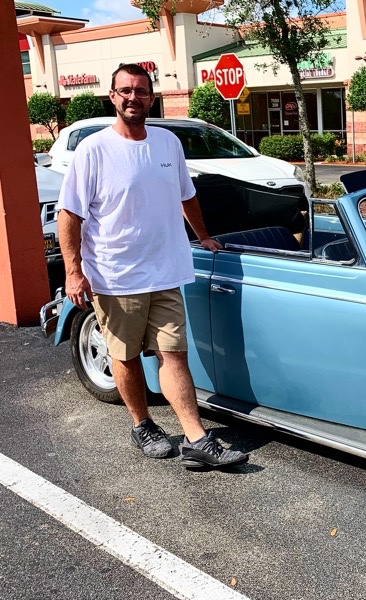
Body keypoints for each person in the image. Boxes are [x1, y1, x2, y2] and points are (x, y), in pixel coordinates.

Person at [58, 63, 248, 470]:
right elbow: (69, 214)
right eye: (125, 90)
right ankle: (142, 423)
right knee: (125, 357)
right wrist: (74, 271)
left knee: (174, 355)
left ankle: (196, 439)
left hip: (166, 271)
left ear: (151, 97)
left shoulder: (167, 143)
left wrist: (203, 236)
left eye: (141, 91)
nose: (133, 97)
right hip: (116, 275)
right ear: (112, 96)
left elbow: (186, 195)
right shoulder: (94, 149)